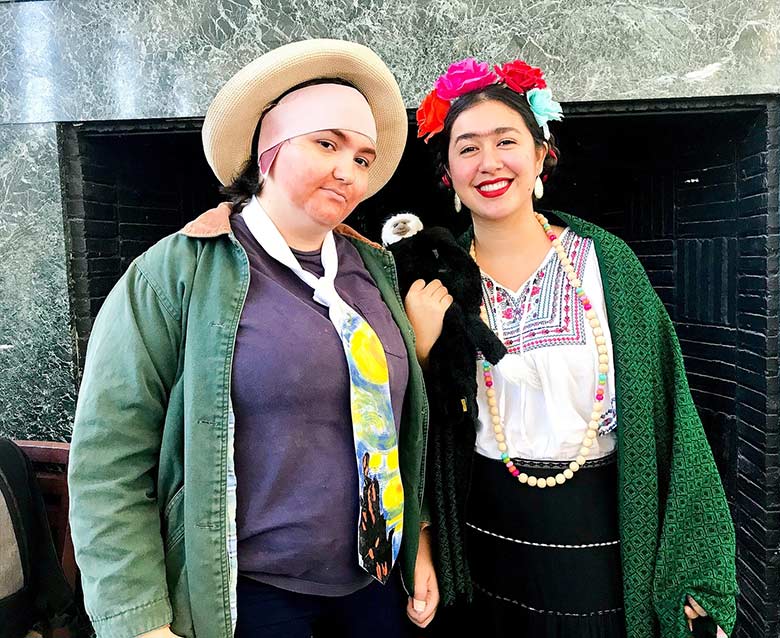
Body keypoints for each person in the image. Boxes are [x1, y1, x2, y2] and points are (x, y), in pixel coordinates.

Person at [68, 39, 443, 638]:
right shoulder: (176, 273)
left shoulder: (374, 272)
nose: (349, 170)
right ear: (267, 152)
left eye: (364, 158)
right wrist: (136, 621)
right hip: (249, 597)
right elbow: (109, 461)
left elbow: (388, 427)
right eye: (327, 143)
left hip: (375, 587)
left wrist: (418, 538)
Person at [409, 58, 737, 637]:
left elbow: (672, 416)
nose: (488, 163)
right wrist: (424, 349)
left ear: (539, 154)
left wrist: (694, 567)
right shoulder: (434, 283)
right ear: (449, 175)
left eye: (506, 141)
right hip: (487, 541)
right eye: (467, 148)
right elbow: (413, 431)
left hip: (604, 537)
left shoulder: (606, 266)